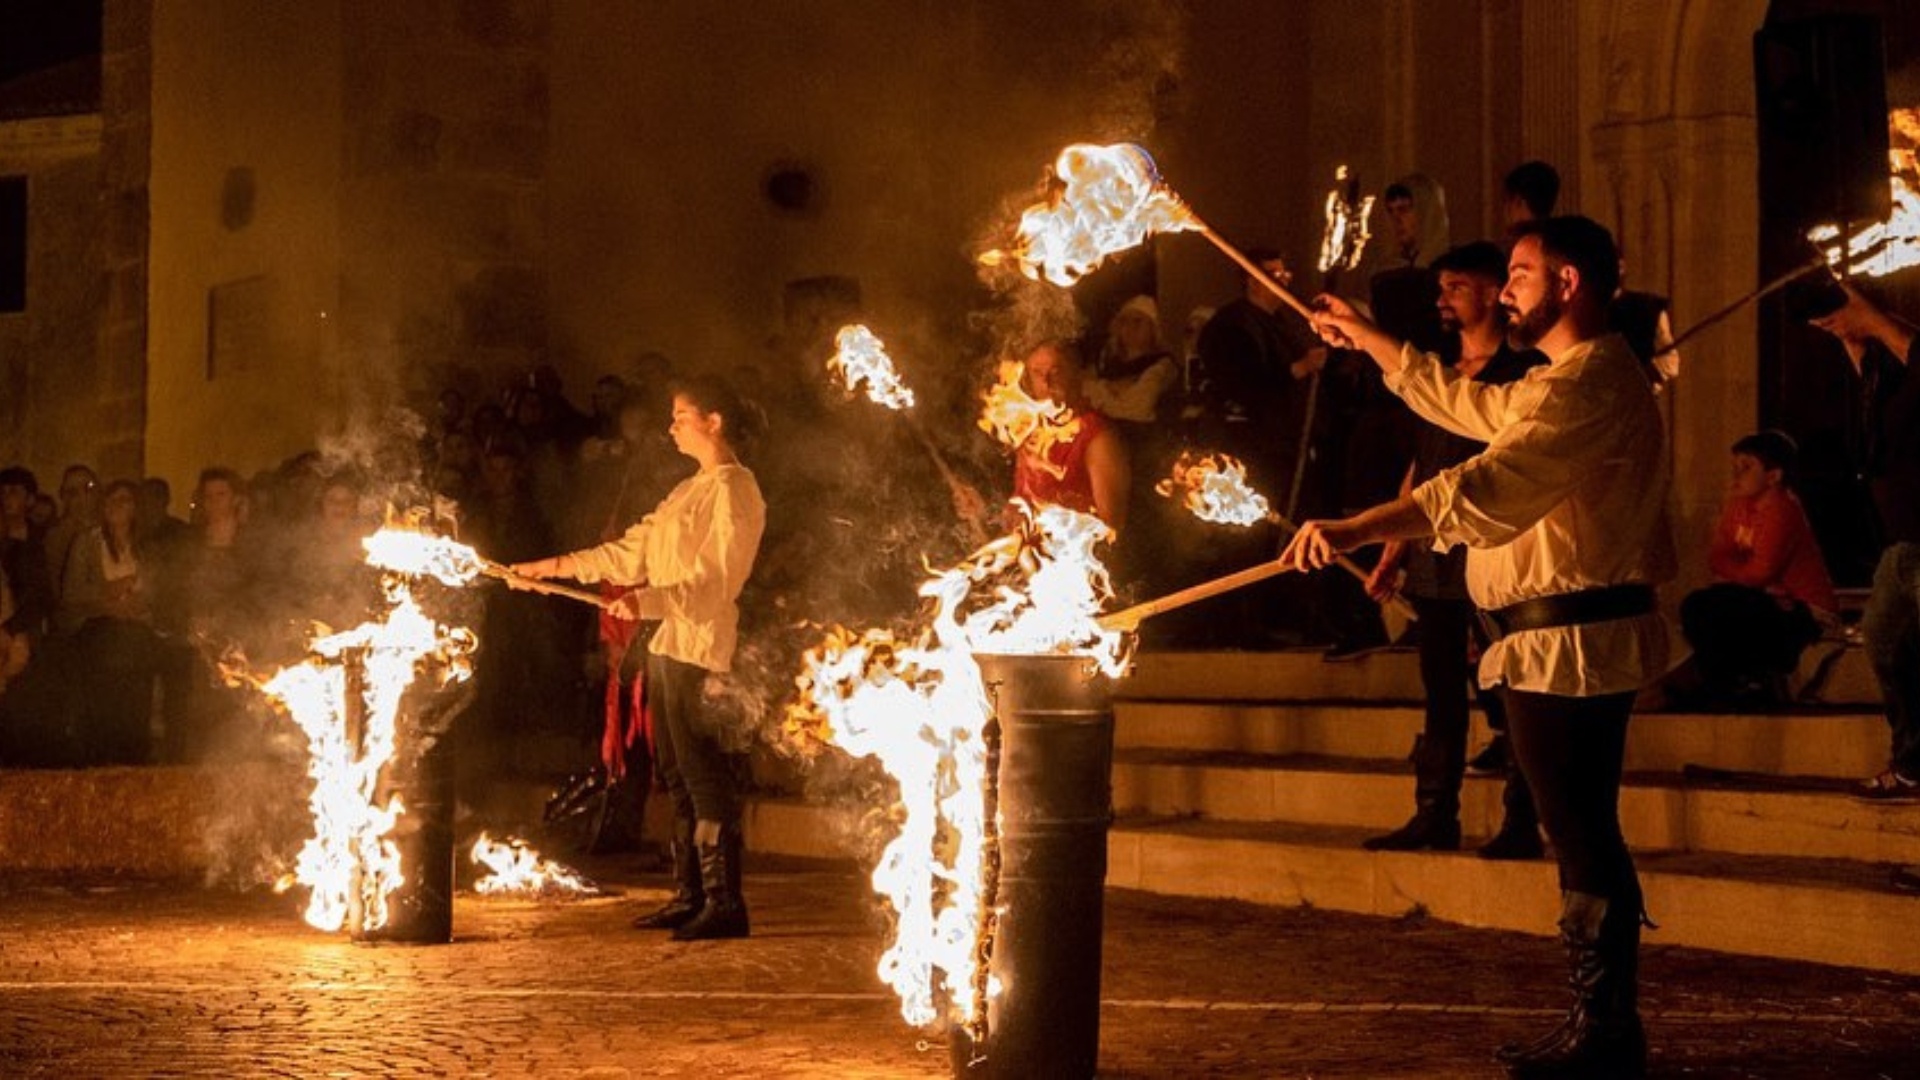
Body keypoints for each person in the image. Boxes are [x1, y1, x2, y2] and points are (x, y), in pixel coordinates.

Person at [1292, 216, 1671, 1078]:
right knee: (1581, 831)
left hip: (1567, 641)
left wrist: (1360, 526)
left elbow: (1484, 486)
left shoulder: (1590, 386)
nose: (1505, 291)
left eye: (1522, 275)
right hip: (1552, 639)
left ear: (1569, 282)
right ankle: (1602, 1024)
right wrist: (1365, 338)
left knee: (1579, 834)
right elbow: (1464, 403)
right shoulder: (1563, 379)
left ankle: (1605, 1030)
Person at [511, 376, 767, 941]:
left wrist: (647, 600)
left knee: (703, 777)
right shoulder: (687, 491)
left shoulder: (733, 490)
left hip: (701, 647)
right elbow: (629, 553)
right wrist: (550, 568)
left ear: (714, 420)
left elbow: (716, 582)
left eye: (681, 414)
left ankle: (725, 902)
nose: (671, 425)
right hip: (669, 644)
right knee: (675, 773)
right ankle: (690, 893)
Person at [1360, 242, 1545, 856]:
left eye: (1456, 287)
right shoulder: (1441, 377)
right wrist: (1393, 548)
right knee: (1440, 693)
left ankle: (1521, 821)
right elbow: (1423, 467)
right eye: (1440, 288)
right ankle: (1435, 813)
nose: (1441, 300)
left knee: (1508, 691)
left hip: (1494, 551)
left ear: (1493, 293)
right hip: (1434, 557)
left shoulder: (1521, 376)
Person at [1809, 284, 1920, 802]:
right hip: (1903, 547)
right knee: (1884, 641)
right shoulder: (1897, 387)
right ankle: (1913, 763)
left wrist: (1874, 319)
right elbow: (1877, 399)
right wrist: (1852, 341)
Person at [1673, 431, 1836, 709]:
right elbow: (1717, 557)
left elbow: (1761, 570)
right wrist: (1751, 578)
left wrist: (1748, 575)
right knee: (1699, 605)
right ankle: (1721, 685)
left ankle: (1733, 685)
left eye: (1746, 467)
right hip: (1770, 599)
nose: (1736, 475)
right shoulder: (1738, 505)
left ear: (1774, 476)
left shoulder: (1783, 510)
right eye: (1735, 467)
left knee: (1724, 609)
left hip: (1804, 610)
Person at [55, 479, 161, 764]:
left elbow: (155, 591)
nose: (116, 507)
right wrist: (109, 596)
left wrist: (135, 604)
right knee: (109, 651)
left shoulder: (146, 547)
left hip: (136, 629)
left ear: (135, 507)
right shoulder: (87, 543)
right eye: (111, 501)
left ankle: (133, 752)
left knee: (135, 656)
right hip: (97, 627)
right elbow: (72, 593)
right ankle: (101, 752)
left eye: (124, 500)